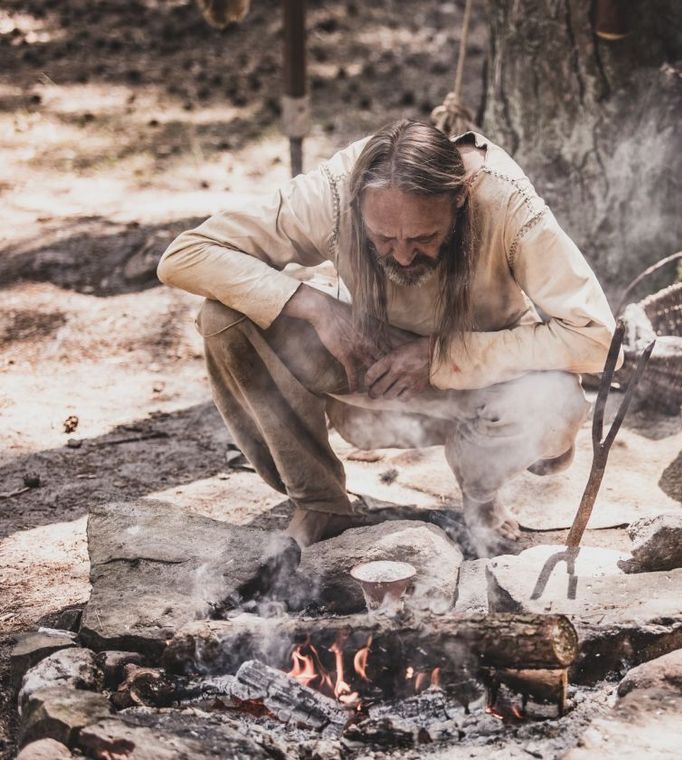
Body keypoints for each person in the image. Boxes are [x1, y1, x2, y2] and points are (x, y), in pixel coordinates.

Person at [158, 120, 617, 554]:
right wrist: (316, 307)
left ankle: (482, 495)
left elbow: (596, 338)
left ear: (459, 199)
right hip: (367, 366)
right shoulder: (334, 191)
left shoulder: (508, 203)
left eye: (422, 238)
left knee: (556, 403)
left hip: (480, 383)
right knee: (224, 317)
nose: (402, 256)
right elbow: (186, 254)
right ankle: (319, 502)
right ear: (358, 203)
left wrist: (440, 357)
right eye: (383, 238)